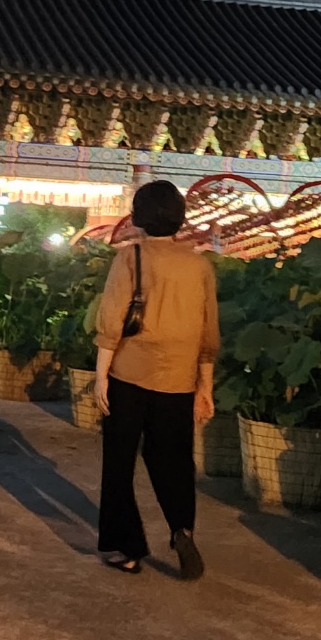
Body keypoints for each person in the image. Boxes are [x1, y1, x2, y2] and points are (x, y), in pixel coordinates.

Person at [94, 180, 219, 579]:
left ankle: (128, 549)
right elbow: (208, 334)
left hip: (128, 373)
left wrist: (100, 376)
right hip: (178, 379)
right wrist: (205, 387)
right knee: (174, 460)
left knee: (119, 461)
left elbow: (112, 320)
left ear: (138, 217)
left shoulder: (130, 257)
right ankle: (182, 529)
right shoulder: (200, 265)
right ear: (180, 218)